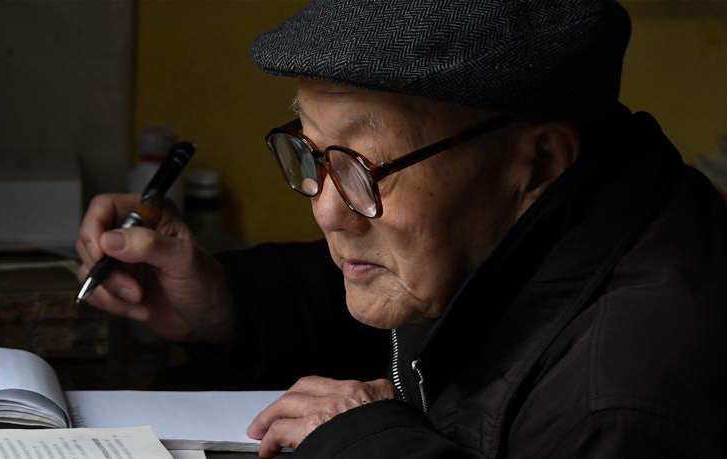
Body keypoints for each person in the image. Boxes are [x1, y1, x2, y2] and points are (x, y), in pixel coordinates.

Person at [76, 1, 727, 458]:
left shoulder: (615, 405)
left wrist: (370, 442)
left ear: (538, 160)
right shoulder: (526, 225)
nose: (326, 208)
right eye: (311, 154)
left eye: (361, 165)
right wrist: (224, 305)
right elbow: (430, 316)